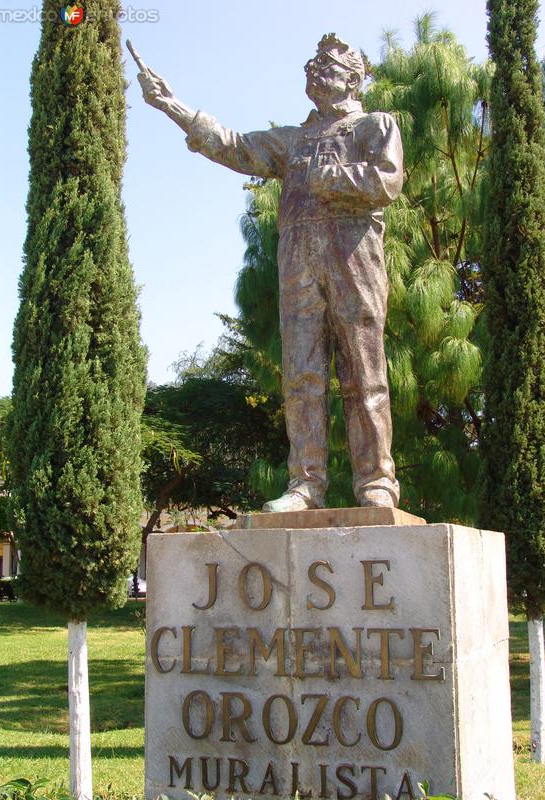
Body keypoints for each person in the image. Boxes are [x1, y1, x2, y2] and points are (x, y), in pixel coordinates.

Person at [132, 33, 404, 512]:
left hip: (353, 257)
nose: (314, 70)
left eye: (327, 64)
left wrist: (332, 178)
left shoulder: (374, 126)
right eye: (311, 63)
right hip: (298, 259)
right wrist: (171, 105)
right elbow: (234, 147)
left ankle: (376, 482)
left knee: (365, 375)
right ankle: (305, 484)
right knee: (301, 376)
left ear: (353, 78)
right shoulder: (293, 140)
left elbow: (387, 180)